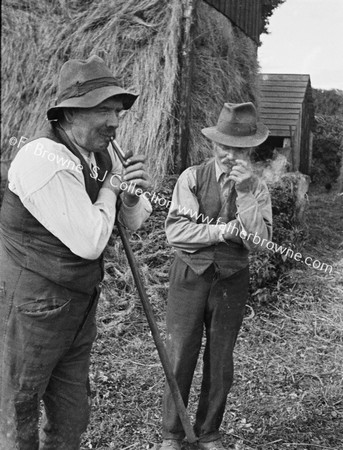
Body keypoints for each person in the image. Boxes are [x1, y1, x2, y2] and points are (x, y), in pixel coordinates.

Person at [0, 55, 152, 450]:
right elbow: (89, 241)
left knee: (71, 415)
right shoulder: (41, 160)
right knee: (18, 412)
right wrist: (112, 190)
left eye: (117, 111)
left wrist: (130, 195)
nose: (115, 122)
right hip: (32, 309)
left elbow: (132, 222)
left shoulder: (101, 154)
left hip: (77, 308)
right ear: (68, 113)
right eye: (103, 109)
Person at [160, 102, 273, 450]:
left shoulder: (257, 189)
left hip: (231, 279)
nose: (231, 156)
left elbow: (261, 242)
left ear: (250, 151)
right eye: (225, 147)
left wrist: (243, 194)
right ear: (213, 145)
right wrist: (224, 232)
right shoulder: (191, 178)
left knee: (221, 359)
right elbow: (177, 232)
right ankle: (171, 434)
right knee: (179, 355)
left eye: (239, 150)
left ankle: (209, 432)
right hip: (189, 276)